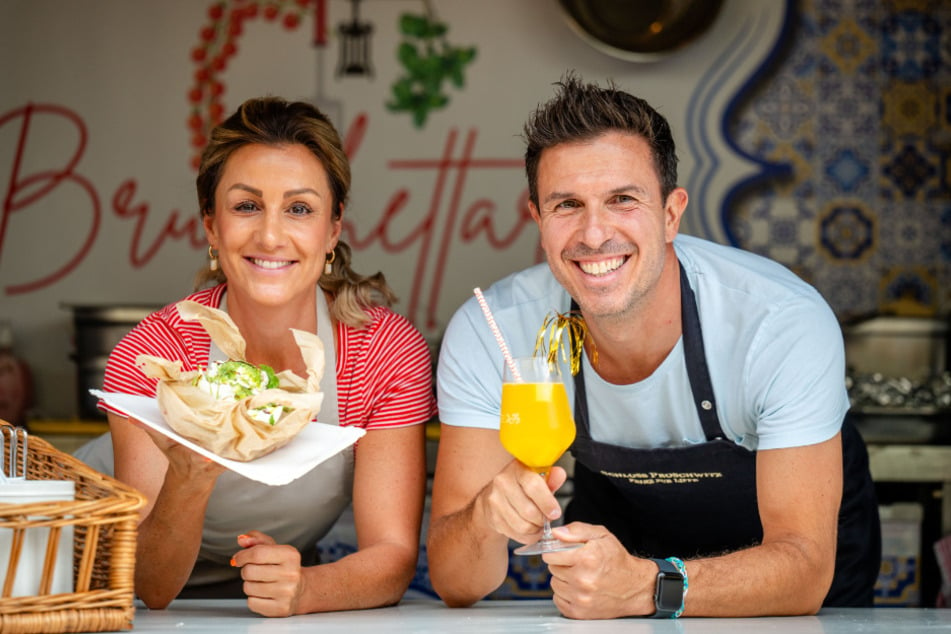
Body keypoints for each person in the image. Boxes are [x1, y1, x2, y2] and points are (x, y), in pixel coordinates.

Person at [427, 74, 880, 619]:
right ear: (538, 220)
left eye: (623, 200)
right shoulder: (490, 329)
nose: (594, 235)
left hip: (790, 600)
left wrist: (648, 586)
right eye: (567, 204)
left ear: (670, 214)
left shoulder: (777, 322)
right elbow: (456, 582)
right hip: (620, 562)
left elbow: (804, 570)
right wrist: (483, 517)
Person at [87, 97, 436, 616]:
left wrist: (305, 589)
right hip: (114, 589)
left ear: (333, 230)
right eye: (246, 205)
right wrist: (190, 476)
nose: (271, 235)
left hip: (274, 603)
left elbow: (392, 557)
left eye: (299, 209)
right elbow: (150, 585)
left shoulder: (380, 352)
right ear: (211, 225)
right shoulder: (156, 354)